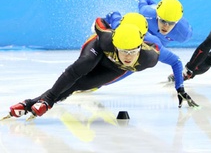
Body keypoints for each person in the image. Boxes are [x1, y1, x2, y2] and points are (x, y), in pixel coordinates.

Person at [6, 13, 197, 120]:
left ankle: (29, 103)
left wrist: (180, 88)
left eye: (132, 51)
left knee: (80, 85)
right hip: (99, 50)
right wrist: (102, 25)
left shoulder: (151, 54)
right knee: (80, 68)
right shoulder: (107, 38)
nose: (127, 56)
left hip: (114, 68)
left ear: (141, 42)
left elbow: (176, 62)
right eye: (124, 50)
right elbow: (100, 22)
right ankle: (46, 101)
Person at [104, 0, 195, 108]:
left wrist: (180, 88)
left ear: (177, 23)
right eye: (162, 20)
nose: (165, 26)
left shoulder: (184, 34)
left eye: (170, 23)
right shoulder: (147, 12)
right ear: (157, 15)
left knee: (123, 70)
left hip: (154, 44)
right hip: (142, 36)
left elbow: (176, 61)